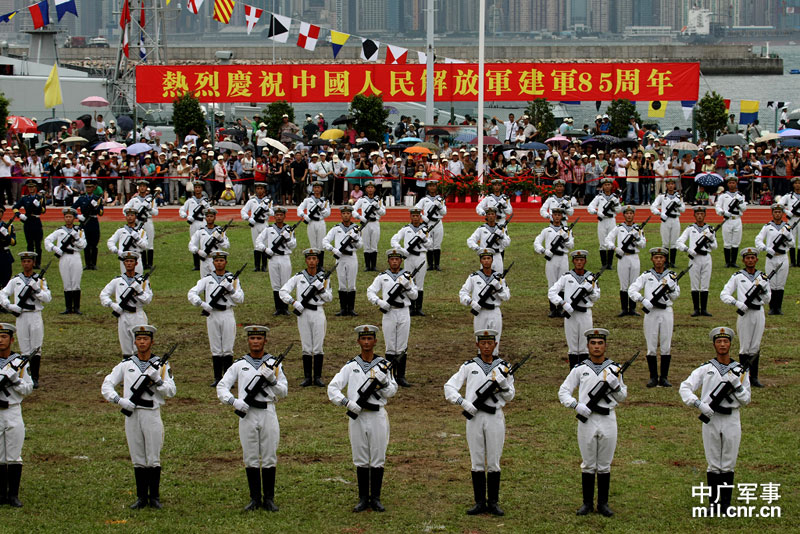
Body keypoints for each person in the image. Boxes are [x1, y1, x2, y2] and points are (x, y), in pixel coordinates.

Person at [101, 325, 176, 509]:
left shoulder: (162, 365)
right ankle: (142, 497)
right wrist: (119, 400)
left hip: (151, 413)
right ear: (135, 342)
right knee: (137, 456)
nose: (142, 342)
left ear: (152, 342)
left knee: (153, 456)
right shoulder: (126, 365)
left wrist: (158, 381)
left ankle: (154, 497)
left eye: (146, 339)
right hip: (133, 414)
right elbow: (107, 385)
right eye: (139, 339)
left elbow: (171, 390)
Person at [679, 327, 751, 516]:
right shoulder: (706, 368)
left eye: (725, 341)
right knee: (713, 462)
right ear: (714, 344)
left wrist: (737, 386)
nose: (722, 345)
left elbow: (746, 400)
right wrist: (698, 403)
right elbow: (685, 387)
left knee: (728, 462)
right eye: (719, 342)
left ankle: (726, 505)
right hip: (711, 417)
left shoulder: (740, 371)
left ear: (730, 344)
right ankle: (714, 504)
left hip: (731, 418)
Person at [444, 329, 515, 516]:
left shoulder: (504, 367)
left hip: (495, 416)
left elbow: (509, 396)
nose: (486, 346)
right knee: (477, 460)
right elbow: (449, 387)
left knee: (493, 460)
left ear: (495, 345)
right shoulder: (469, 366)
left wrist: (505, 385)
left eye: (489, 343)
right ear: (477, 345)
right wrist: (463, 402)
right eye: (482, 343)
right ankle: (479, 502)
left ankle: (493, 502)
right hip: (474, 416)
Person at [216, 325, 288, 512]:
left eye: (259, 338)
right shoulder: (240, 364)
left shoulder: (274, 364)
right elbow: (222, 387)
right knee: (250, 457)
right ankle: (255, 498)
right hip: (247, 414)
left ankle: (269, 499)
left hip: (268, 411)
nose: (256, 342)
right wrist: (233, 401)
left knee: (269, 455)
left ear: (265, 341)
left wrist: (272, 380)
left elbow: (284, 391)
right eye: (252, 338)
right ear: (248, 341)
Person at [327, 325, 398, 512]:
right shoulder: (351, 366)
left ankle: (375, 498)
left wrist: (382, 384)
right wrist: (347, 403)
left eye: (370, 339)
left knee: (377, 455)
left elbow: (392, 390)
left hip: (377, 415)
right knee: (360, 457)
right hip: (358, 416)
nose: (366, 342)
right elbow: (332, 388)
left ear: (375, 341)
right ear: (358, 341)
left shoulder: (384, 365)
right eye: (363, 339)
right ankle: (362, 498)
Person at [558, 328, 628, 517]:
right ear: (588, 346)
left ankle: (603, 504)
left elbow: (622, 396)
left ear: (605, 345)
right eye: (593, 343)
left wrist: (615, 385)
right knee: (588, 463)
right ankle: (587, 503)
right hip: (587, 419)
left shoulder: (615, 368)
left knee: (604, 464)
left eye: (600, 343)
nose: (597, 347)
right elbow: (563, 391)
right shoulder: (580, 369)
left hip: (608, 418)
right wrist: (575, 405)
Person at [187, 250, 244, 386]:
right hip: (212, 314)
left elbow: (240, 299)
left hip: (227, 313)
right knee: (216, 347)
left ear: (226, 262)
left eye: (221, 260)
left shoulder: (233, 279)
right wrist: (201, 303)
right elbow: (192, 292)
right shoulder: (207, 279)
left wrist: (231, 290)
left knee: (228, 347)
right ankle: (217, 377)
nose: (219, 263)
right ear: (213, 263)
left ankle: (228, 379)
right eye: (216, 261)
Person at [279, 249, 333, 387]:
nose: (311, 261)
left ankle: (318, 377)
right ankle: (308, 377)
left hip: (318, 312)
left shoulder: (324, 278)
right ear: (306, 260)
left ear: (318, 260)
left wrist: (321, 289)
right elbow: (283, 291)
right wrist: (294, 302)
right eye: (309, 259)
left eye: (314, 259)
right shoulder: (299, 277)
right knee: (306, 346)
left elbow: (329, 298)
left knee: (318, 346)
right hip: (303, 313)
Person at [628, 248, 681, 388]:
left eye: (661, 258)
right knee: (651, 345)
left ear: (665, 260)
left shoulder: (671, 275)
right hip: (651, 312)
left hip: (666, 311)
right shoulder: (646, 275)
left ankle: (664, 377)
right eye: (656, 257)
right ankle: (653, 377)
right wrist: (642, 299)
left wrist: (672, 289)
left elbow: (676, 296)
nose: (658, 260)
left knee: (666, 344)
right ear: (652, 259)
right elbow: (632, 290)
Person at [366, 248, 419, 388]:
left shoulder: (407, 276)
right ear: (388, 261)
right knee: (390, 346)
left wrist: (408, 287)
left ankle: (401, 376)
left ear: (401, 261)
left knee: (401, 345)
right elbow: (370, 291)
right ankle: (389, 376)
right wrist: (379, 302)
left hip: (403, 311)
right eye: (392, 259)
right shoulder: (382, 276)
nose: (394, 261)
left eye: (397, 259)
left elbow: (415, 296)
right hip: (389, 312)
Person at [720, 248, 770, 388]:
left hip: (758, 312)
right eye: (747, 258)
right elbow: (724, 294)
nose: (750, 260)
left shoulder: (763, 277)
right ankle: (743, 377)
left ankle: (754, 377)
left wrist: (763, 291)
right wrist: (737, 303)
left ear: (756, 260)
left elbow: (767, 299)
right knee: (745, 347)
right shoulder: (737, 276)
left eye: (752, 258)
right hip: (745, 313)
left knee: (755, 346)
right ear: (743, 260)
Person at [0, 252, 50, 389]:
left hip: (35, 314)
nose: (26, 264)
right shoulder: (16, 280)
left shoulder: (40, 281)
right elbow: (3, 293)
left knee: (36, 346)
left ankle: (35, 377)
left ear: (33, 263)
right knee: (24, 347)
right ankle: (25, 375)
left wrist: (37, 291)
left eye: (29, 261)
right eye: (24, 262)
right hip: (22, 316)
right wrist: (9, 305)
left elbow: (47, 298)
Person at [548, 251, 601, 368]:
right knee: (572, 346)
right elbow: (552, 292)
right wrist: (562, 303)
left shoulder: (591, 278)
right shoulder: (566, 277)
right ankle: (573, 372)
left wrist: (591, 290)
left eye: (581, 260)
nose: (579, 262)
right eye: (576, 260)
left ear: (585, 261)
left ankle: (584, 371)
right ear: (573, 261)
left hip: (585, 313)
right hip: (571, 314)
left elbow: (596, 297)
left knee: (585, 343)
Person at [0, 323, 34, 507]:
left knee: (13, 455)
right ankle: (0, 495)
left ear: (12, 340)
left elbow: (28, 388)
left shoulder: (19, 363)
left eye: (4, 337)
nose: (0, 340)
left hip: (12, 409)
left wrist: (15, 381)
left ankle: (13, 495)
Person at [100, 251, 153, 359]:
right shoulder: (117, 280)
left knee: (140, 346)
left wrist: (139, 292)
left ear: (136, 263)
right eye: (127, 261)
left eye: (131, 261)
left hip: (138, 315)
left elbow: (147, 300)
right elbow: (103, 294)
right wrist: (112, 304)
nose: (129, 263)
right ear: (124, 263)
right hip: (123, 315)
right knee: (125, 347)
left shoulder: (143, 282)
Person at [459, 250, 511, 356]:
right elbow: (463, 293)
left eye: (488, 258)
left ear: (492, 260)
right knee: (481, 339)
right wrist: (471, 302)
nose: (486, 261)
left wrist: (499, 288)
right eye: (484, 259)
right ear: (480, 261)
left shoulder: (499, 278)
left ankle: (494, 361)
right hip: (480, 312)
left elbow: (506, 297)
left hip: (494, 311)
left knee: (495, 339)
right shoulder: (474, 277)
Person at [604, 206, 647, 317]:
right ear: (624, 215)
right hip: (623, 257)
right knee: (623, 285)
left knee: (633, 284)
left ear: (633, 215)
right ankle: (624, 309)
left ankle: (632, 309)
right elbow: (607, 239)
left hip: (634, 257)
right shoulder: (619, 228)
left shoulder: (638, 229)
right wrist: (615, 248)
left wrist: (636, 239)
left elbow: (643, 244)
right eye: (627, 213)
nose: (629, 215)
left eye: (631, 213)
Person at [390, 208, 433, 316]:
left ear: (420, 217)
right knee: (408, 281)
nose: (415, 218)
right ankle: (410, 307)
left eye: (417, 216)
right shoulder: (406, 229)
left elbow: (429, 245)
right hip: (409, 257)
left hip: (421, 257)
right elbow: (394, 239)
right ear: (410, 217)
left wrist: (424, 239)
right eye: (413, 216)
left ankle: (418, 308)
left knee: (419, 284)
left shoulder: (425, 229)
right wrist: (400, 249)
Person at [255, 207, 297, 316]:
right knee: (275, 284)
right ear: (274, 216)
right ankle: (278, 308)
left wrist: (287, 239)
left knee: (285, 283)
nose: (279, 217)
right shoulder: (269, 229)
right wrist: (265, 249)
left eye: (281, 215)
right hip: (273, 258)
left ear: (284, 216)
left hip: (285, 257)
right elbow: (258, 241)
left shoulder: (289, 229)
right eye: (277, 215)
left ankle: (285, 308)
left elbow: (293, 245)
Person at [43, 207, 86, 314]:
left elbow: (83, 245)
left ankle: (76, 308)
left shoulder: (79, 231)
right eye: (66, 217)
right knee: (66, 282)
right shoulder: (59, 231)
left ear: (73, 218)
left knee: (75, 282)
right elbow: (47, 240)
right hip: (64, 257)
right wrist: (54, 248)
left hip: (75, 256)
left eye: (70, 217)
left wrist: (76, 239)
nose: (68, 219)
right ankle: (68, 308)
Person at [677, 206, 718, 316]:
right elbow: (679, 242)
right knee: (694, 283)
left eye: (701, 214)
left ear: (705, 215)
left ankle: (704, 309)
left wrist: (711, 240)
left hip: (706, 257)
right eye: (697, 214)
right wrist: (688, 249)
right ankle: (696, 309)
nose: (700, 216)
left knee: (705, 283)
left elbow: (715, 247)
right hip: (694, 258)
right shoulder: (690, 228)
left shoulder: (710, 229)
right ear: (694, 215)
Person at [754, 203, 795, 315]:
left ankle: (778, 308)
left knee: (780, 284)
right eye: (775, 212)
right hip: (771, 257)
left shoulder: (787, 227)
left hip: (782, 257)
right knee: (771, 283)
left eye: (779, 212)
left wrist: (787, 240)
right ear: (772, 213)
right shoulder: (767, 226)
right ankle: (772, 308)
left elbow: (792, 243)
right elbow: (758, 240)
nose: (777, 214)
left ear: (782, 213)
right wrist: (766, 248)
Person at [323, 206, 363, 317]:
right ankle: (342, 309)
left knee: (351, 283)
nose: (346, 215)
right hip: (340, 258)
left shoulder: (356, 229)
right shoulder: (336, 228)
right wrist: (333, 249)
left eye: (348, 213)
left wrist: (354, 241)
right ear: (341, 215)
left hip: (351, 257)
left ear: (351, 215)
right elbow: (325, 241)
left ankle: (351, 309)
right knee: (341, 283)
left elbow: (360, 245)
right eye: (344, 213)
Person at [534, 207, 575, 317]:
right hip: (551, 258)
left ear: (562, 217)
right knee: (552, 283)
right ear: (552, 216)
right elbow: (537, 242)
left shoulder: (567, 230)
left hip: (563, 258)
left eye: (559, 215)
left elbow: (571, 245)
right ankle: (553, 308)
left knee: (563, 283)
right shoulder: (546, 230)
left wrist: (566, 239)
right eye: (555, 215)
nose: (557, 217)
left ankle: (561, 308)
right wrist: (543, 250)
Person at [587, 178, 622, 270]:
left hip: (611, 220)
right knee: (602, 242)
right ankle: (604, 264)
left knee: (611, 240)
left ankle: (609, 264)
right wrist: (597, 212)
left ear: (611, 186)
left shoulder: (615, 197)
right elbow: (590, 207)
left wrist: (613, 207)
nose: (607, 186)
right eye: (605, 185)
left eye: (609, 185)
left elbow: (619, 209)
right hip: (602, 220)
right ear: (602, 186)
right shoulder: (599, 197)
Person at [123, 180, 159, 270]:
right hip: (138, 222)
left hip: (148, 221)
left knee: (150, 242)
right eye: (140, 186)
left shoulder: (151, 199)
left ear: (146, 188)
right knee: (140, 241)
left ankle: (150, 263)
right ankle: (143, 263)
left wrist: (150, 209)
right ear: (138, 188)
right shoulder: (134, 200)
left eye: (144, 186)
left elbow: (156, 212)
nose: (142, 188)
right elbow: (125, 209)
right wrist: (132, 214)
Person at [650, 177, 685, 268]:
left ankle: (672, 262)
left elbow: (683, 209)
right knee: (665, 242)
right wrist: (660, 213)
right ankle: (665, 262)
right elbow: (653, 206)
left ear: (674, 185)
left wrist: (678, 204)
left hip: (675, 219)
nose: (670, 186)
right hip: (666, 220)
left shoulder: (678, 197)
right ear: (666, 185)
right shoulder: (662, 196)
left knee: (674, 242)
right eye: (669, 184)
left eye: (672, 184)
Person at [71, 178, 104, 270]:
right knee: (85, 244)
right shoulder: (82, 198)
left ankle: (93, 264)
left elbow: (101, 213)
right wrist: (78, 216)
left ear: (94, 188)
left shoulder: (97, 199)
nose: (88, 189)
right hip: (84, 223)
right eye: (87, 187)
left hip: (93, 222)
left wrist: (96, 207)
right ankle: (87, 264)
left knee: (94, 244)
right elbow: (72, 209)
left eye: (90, 187)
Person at [353, 181, 386, 272]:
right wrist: (360, 217)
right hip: (366, 224)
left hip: (375, 223)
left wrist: (378, 208)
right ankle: (367, 266)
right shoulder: (362, 199)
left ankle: (374, 266)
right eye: (368, 187)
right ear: (366, 189)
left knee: (374, 244)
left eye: (372, 187)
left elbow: (383, 212)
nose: (370, 189)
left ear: (374, 189)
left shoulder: (378, 200)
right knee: (366, 243)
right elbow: (353, 210)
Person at [241, 182, 274, 273]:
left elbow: (272, 213)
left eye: (261, 189)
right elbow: (243, 211)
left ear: (264, 190)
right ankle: (257, 266)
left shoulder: (268, 201)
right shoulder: (252, 201)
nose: (259, 190)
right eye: (258, 189)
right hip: (254, 225)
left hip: (264, 224)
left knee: (264, 244)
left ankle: (264, 266)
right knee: (256, 244)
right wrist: (248, 218)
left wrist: (266, 208)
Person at [415, 179, 447, 271]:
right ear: (427, 187)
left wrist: (440, 206)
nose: (432, 187)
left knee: (437, 244)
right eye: (430, 186)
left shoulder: (440, 199)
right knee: (429, 244)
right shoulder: (424, 200)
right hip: (428, 223)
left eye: (434, 186)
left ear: (436, 187)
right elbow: (415, 209)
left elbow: (444, 212)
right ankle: (430, 265)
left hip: (438, 222)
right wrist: (422, 216)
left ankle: (437, 264)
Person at [715, 176, 748, 268]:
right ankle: (727, 262)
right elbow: (717, 207)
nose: (732, 184)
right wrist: (724, 212)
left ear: (736, 184)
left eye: (733, 183)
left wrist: (740, 203)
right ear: (727, 184)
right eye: (730, 183)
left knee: (736, 241)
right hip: (727, 220)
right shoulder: (723, 196)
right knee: (727, 241)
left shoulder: (740, 195)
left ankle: (733, 262)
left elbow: (744, 208)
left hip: (737, 219)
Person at [188, 208, 230, 278]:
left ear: (215, 217)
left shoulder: (220, 231)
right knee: (204, 282)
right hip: (204, 260)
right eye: (207, 216)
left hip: (216, 260)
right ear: (205, 218)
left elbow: (227, 245)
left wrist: (221, 240)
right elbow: (191, 244)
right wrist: (198, 251)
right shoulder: (200, 231)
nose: (209, 218)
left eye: (211, 216)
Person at [12, 180, 46, 268]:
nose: (31, 188)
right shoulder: (24, 198)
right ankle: (31, 262)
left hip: (36, 221)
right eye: (29, 187)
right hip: (28, 221)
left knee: (38, 244)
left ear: (35, 188)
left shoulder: (40, 198)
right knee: (30, 243)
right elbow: (15, 208)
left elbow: (43, 210)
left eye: (32, 187)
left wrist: (39, 206)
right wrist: (20, 215)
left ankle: (38, 263)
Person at [297, 181, 331, 267]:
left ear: (321, 189)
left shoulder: (325, 201)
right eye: (315, 187)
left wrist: (322, 208)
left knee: (321, 244)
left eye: (318, 187)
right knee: (313, 244)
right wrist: (304, 216)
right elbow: (299, 209)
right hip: (311, 222)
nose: (316, 189)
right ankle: (313, 265)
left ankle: (320, 266)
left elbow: (328, 214)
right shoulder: (308, 200)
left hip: (320, 222)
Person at [467, 207, 511, 272]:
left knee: (499, 278)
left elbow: (507, 243)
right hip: (485, 257)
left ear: (495, 216)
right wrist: (478, 249)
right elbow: (470, 240)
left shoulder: (501, 229)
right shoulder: (481, 229)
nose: (491, 216)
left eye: (492, 214)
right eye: (489, 214)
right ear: (486, 216)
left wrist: (502, 237)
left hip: (497, 256)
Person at [179, 180, 210, 271]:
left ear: (202, 189)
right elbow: (182, 210)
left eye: (199, 187)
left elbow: (210, 211)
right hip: (193, 223)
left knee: (204, 241)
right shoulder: (190, 201)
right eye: (196, 187)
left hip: (203, 222)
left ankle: (204, 262)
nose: (197, 189)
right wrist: (185, 216)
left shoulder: (205, 201)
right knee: (194, 242)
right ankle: (196, 264)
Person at [107, 208, 149, 276]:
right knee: (125, 279)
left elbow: (145, 246)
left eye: (132, 215)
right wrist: (116, 251)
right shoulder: (120, 231)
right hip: (125, 257)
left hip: (136, 257)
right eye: (128, 215)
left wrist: (138, 239)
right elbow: (110, 242)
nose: (130, 217)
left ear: (135, 217)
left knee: (138, 278)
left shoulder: (141, 232)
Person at [778, 176, 800, 267]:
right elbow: (779, 204)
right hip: (792, 219)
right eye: (795, 183)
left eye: (799, 183)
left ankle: (799, 262)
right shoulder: (788, 196)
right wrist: (787, 212)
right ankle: (793, 262)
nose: (797, 185)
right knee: (792, 239)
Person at [0, 207, 17, 290]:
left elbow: (13, 242)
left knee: (5, 283)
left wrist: (6, 235)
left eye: (1, 212)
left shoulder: (9, 227)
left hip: (4, 255)